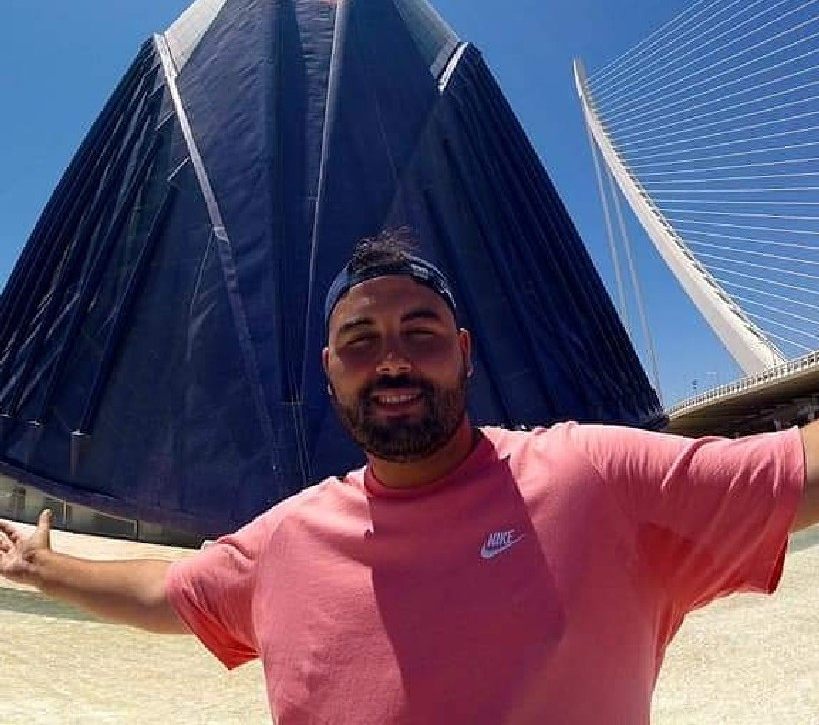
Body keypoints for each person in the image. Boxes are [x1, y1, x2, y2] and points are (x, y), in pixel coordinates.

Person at [1, 231, 818, 724]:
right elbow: (166, 593)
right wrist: (41, 568)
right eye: (360, 341)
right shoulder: (287, 539)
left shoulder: (595, 478)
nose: (390, 359)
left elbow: (798, 471)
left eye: (418, 332)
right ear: (330, 371)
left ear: (463, 353)